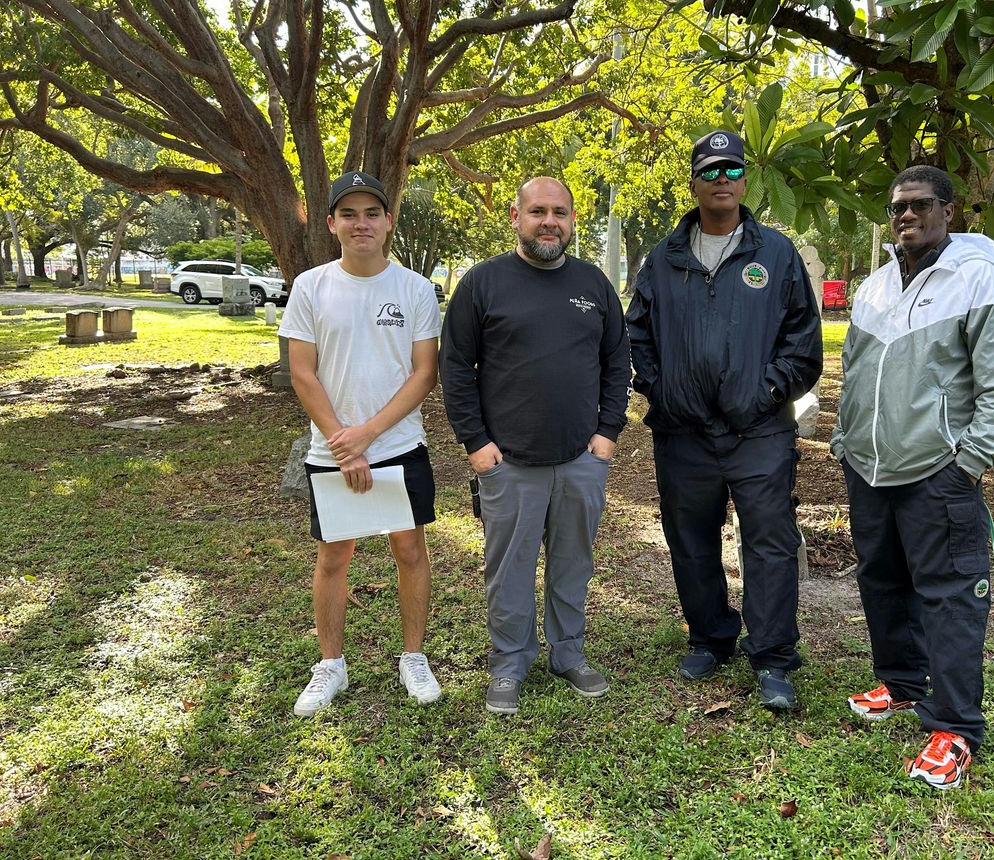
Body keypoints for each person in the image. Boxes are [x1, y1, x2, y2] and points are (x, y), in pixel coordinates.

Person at [831, 165, 994, 789]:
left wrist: (966, 464)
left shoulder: (978, 280)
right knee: (882, 579)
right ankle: (899, 682)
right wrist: (844, 439)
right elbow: (855, 368)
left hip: (936, 471)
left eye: (919, 205)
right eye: (897, 208)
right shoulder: (876, 286)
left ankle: (955, 727)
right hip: (869, 466)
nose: (906, 216)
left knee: (948, 595)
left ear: (949, 210)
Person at [626, 131, 823, 710]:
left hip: (758, 430)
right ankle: (711, 636)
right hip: (682, 431)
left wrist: (764, 390)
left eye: (731, 170)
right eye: (710, 171)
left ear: (744, 181)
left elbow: (803, 341)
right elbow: (636, 333)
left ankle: (774, 657)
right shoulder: (663, 258)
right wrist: (662, 388)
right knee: (690, 541)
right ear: (693, 183)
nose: (721, 180)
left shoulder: (777, 254)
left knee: (769, 543)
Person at [439, 177, 631, 715]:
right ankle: (510, 661)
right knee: (510, 569)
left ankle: (568, 654)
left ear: (573, 219)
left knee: (573, 564)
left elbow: (618, 363)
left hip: (581, 461)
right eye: (538, 211)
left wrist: (607, 434)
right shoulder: (482, 284)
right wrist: (476, 444)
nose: (550, 221)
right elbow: (455, 369)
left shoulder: (594, 284)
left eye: (561, 212)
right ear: (515, 215)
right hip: (508, 464)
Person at [281, 170, 443, 717]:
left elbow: (424, 373)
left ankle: (413, 657)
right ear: (331, 224)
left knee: (409, 549)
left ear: (388, 221)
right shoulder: (311, 286)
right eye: (348, 214)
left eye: (371, 213)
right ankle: (330, 664)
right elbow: (302, 372)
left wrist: (368, 436)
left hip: (398, 444)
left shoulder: (415, 289)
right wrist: (341, 441)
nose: (361, 223)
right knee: (334, 557)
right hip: (331, 451)